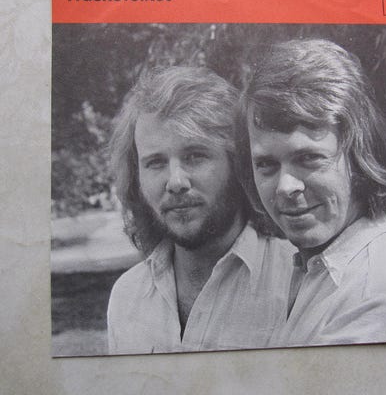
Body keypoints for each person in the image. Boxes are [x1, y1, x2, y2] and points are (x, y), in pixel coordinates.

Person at [236, 39, 386, 347]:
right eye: (266, 164)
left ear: (359, 156)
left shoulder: (380, 306)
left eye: (308, 158)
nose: (285, 186)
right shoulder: (314, 272)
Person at [107, 66, 294, 354]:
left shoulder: (297, 282)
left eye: (195, 156)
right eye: (155, 163)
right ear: (137, 176)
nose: (176, 182)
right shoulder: (127, 297)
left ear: (238, 163)